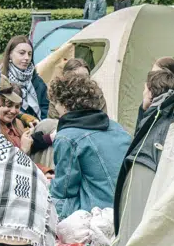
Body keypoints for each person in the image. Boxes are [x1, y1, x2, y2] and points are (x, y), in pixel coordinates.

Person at [49, 73, 130, 217]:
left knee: (46, 200)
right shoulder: (115, 126)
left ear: (65, 105)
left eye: (56, 103)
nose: (55, 108)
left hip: (100, 210)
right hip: (129, 204)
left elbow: (65, 189)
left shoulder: (67, 137)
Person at [2, 36, 49, 119]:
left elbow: (45, 108)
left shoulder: (37, 81)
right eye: (22, 53)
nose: (27, 58)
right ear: (10, 54)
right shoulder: (1, 80)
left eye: (30, 54)